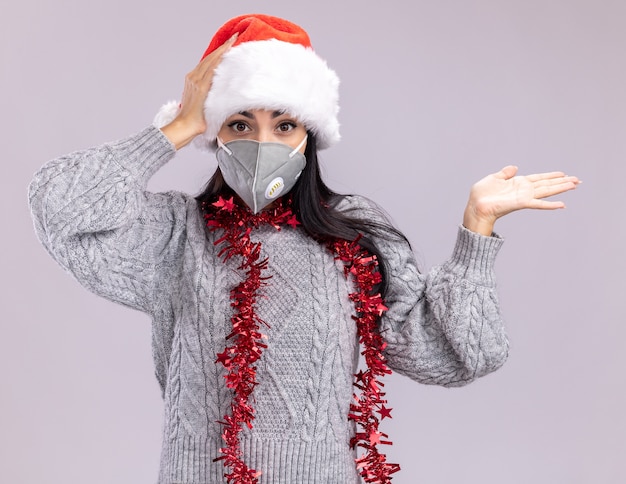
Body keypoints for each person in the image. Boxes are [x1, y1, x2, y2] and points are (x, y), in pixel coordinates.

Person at [28, 14, 579, 484]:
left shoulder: (355, 232)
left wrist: (476, 229)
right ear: (215, 134)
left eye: (284, 124)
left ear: (309, 137)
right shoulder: (177, 233)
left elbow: (455, 355)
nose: (262, 144)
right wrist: (177, 126)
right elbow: (60, 206)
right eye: (240, 123)